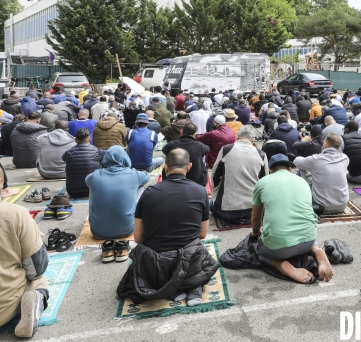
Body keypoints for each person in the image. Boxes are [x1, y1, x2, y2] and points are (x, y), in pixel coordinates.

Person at [119, 149, 218, 307]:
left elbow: (137, 238)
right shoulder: (201, 191)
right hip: (189, 260)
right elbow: (203, 234)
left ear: (165, 167)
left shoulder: (149, 193)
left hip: (156, 264)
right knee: (198, 251)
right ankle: (193, 284)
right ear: (189, 166)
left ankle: (172, 287)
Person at [251, 153, 333, 283]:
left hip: (278, 248)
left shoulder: (262, 182)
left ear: (270, 171)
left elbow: (255, 220)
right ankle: (317, 251)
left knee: (258, 253)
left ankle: (280, 264)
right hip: (308, 241)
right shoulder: (302, 181)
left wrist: (256, 233)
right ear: (290, 169)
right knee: (303, 233)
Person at [0, 165, 50, 338]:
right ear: (1, 182)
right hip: (4, 307)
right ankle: (36, 300)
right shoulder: (16, 214)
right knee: (41, 281)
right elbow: (36, 268)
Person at [86, 146, 150, 240]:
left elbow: (87, 179)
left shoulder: (94, 176)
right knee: (140, 186)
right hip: (128, 229)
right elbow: (147, 176)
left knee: (93, 187)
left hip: (98, 231)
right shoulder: (133, 174)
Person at [211, 125, 268, 223]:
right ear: (253, 138)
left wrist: (216, 192)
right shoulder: (261, 154)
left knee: (210, 205)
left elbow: (215, 176)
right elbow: (265, 181)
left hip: (226, 210)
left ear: (238, 136)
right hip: (253, 210)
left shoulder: (226, 149)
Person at [294, 134, 349, 215]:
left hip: (321, 207)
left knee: (302, 168)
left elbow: (296, 161)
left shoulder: (316, 159)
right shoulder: (345, 158)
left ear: (325, 144)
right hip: (342, 205)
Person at [63, 128, 105, 198]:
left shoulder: (68, 153)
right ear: (89, 139)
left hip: (72, 191)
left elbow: (63, 158)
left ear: (75, 140)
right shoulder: (97, 151)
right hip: (93, 189)